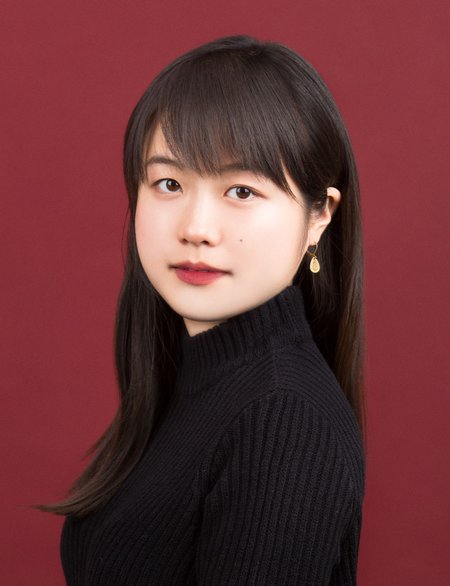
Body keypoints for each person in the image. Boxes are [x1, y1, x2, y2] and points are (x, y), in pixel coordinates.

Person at [40, 34, 367, 584]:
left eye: (241, 191)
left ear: (318, 216)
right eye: (169, 183)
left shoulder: (282, 419)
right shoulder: (192, 378)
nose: (195, 229)